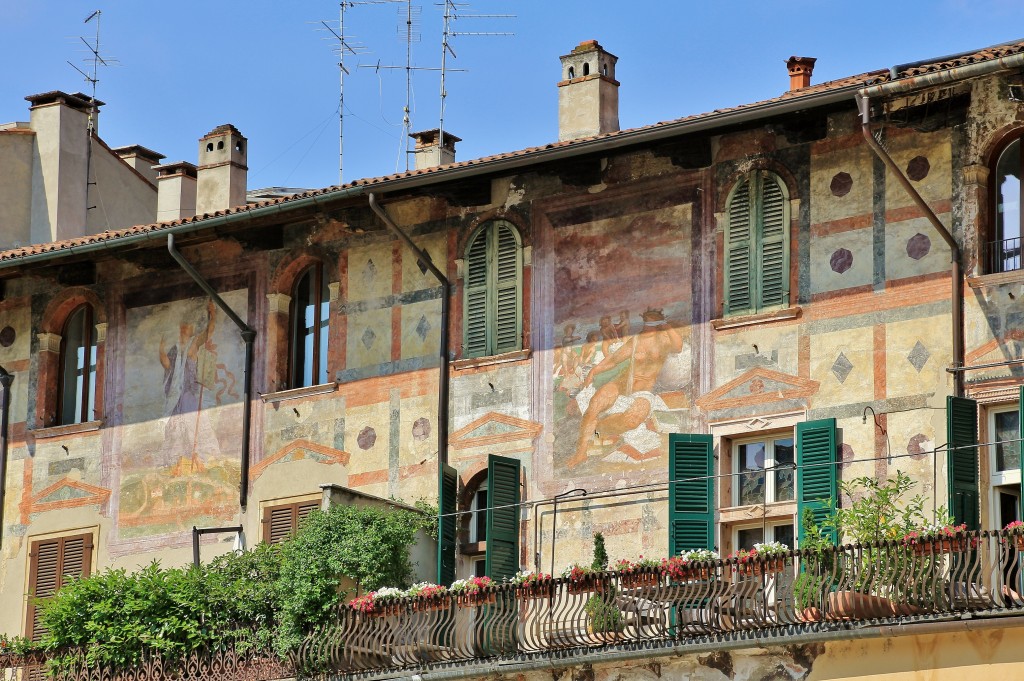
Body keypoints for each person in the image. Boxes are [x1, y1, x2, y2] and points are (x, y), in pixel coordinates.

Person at [568, 308, 683, 468]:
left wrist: (666, 326)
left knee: (632, 420)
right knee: (595, 403)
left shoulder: (663, 340)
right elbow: (614, 360)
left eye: (653, 321)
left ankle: (600, 427)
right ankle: (580, 453)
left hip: (644, 391)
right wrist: (593, 371)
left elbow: (678, 347)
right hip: (621, 384)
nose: (648, 325)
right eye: (647, 321)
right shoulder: (636, 341)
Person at [157, 300, 220, 471]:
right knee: (176, 429)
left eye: (187, 326)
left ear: (192, 329)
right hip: (176, 397)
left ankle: (202, 460)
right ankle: (176, 462)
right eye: (182, 326)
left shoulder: (193, 344)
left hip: (188, 394)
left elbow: (208, 333)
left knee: (194, 425)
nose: (184, 328)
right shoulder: (175, 350)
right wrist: (161, 348)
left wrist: (213, 315)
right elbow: (167, 365)